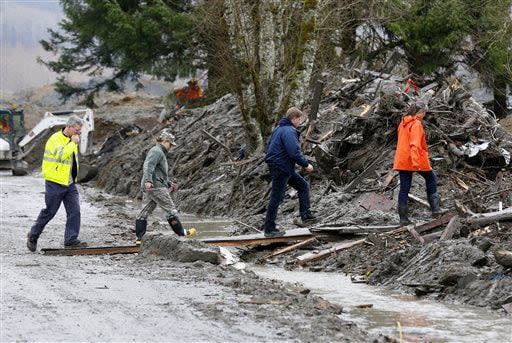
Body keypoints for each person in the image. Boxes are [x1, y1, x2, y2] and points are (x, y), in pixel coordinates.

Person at [27, 115, 86, 251]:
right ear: (69, 127)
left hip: (69, 183)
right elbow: (62, 155)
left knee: (75, 211)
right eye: (77, 130)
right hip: (55, 183)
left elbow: (71, 162)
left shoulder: (72, 139)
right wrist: (73, 143)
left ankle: (71, 240)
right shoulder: (55, 139)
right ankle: (33, 235)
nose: (79, 133)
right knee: (50, 212)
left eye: (79, 131)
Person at [263, 107, 317, 237]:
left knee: (302, 185)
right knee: (277, 197)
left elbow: (269, 147)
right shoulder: (289, 131)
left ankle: (306, 215)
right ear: (293, 118)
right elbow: (293, 152)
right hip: (281, 167)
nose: (300, 122)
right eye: (299, 119)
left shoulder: (278, 129)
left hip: (281, 166)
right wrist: (306, 164)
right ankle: (269, 229)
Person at [135, 130, 195, 244]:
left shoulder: (158, 151)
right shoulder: (157, 151)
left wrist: (168, 183)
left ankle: (139, 238)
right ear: (165, 141)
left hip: (152, 186)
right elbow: (148, 166)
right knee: (170, 210)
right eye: (171, 144)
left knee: (144, 212)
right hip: (156, 186)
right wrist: (148, 180)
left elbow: (159, 172)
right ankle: (181, 233)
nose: (171, 147)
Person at [393, 102, 443, 225]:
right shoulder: (416, 124)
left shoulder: (402, 123)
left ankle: (403, 219)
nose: (424, 115)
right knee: (431, 178)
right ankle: (436, 210)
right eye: (423, 112)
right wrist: (416, 163)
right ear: (419, 112)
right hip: (414, 159)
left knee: (404, 188)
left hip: (402, 159)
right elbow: (414, 144)